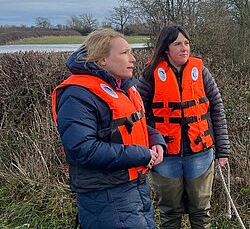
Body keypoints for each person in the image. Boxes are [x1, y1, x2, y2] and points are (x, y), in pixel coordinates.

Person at [51, 28, 166, 228]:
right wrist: (141, 154)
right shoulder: (77, 95)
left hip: (135, 186)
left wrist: (155, 140)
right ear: (103, 59)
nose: (133, 59)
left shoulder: (123, 87)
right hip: (105, 194)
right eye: (125, 53)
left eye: (131, 52)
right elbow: (82, 150)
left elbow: (133, 125)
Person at [137, 25, 230, 229]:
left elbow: (217, 109)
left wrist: (222, 150)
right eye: (177, 43)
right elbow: (136, 114)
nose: (184, 48)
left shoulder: (201, 71)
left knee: (201, 211)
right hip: (165, 156)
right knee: (170, 212)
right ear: (165, 48)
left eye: (186, 43)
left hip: (200, 153)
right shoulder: (150, 75)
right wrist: (146, 148)